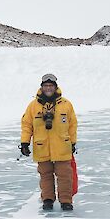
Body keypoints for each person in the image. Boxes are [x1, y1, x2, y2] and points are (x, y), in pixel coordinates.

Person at [20, 73, 77, 211]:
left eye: (51, 86)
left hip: (62, 147)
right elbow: (27, 125)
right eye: (45, 86)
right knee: (45, 176)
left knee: (65, 176)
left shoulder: (66, 104)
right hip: (42, 147)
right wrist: (24, 143)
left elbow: (72, 124)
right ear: (42, 87)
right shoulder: (33, 106)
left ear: (55, 87)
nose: (48, 88)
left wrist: (73, 142)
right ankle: (47, 200)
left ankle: (66, 201)